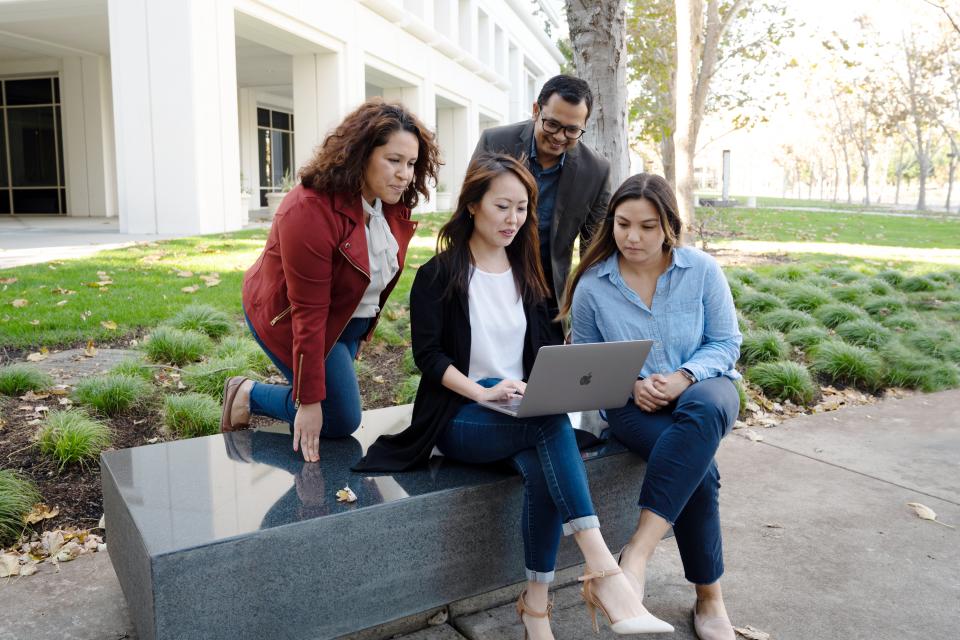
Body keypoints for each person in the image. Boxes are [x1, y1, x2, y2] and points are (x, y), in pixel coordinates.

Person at [356, 154, 673, 638]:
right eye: (502, 206)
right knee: (546, 426)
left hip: (521, 409)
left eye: (522, 209)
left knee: (542, 460)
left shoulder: (529, 271)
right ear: (472, 207)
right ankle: (605, 573)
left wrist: (567, 370)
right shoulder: (439, 275)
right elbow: (430, 358)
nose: (513, 219)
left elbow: (544, 348)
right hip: (461, 414)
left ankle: (537, 607)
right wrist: (482, 394)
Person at [562, 174, 742, 640]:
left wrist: (684, 377)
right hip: (632, 407)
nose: (632, 236)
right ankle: (710, 598)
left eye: (646, 226)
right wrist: (632, 384)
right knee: (700, 470)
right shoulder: (593, 286)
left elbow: (725, 343)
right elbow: (587, 365)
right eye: (623, 224)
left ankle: (636, 556)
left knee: (702, 411)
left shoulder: (701, 270)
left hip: (705, 389)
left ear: (668, 227)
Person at [220, 99, 441, 463]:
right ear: (362, 153)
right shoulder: (308, 210)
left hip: (344, 322)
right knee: (340, 418)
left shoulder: (389, 202)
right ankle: (245, 394)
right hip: (288, 318)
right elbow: (308, 313)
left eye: (412, 163)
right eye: (393, 160)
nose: (404, 174)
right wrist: (307, 401)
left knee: (332, 404)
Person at [471, 75, 611, 340]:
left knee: (544, 374)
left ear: (584, 124)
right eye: (552, 124)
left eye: (572, 130)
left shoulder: (596, 171)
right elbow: (470, 208)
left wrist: (584, 316)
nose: (559, 137)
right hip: (488, 279)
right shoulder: (495, 142)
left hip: (548, 293)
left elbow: (594, 252)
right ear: (536, 110)